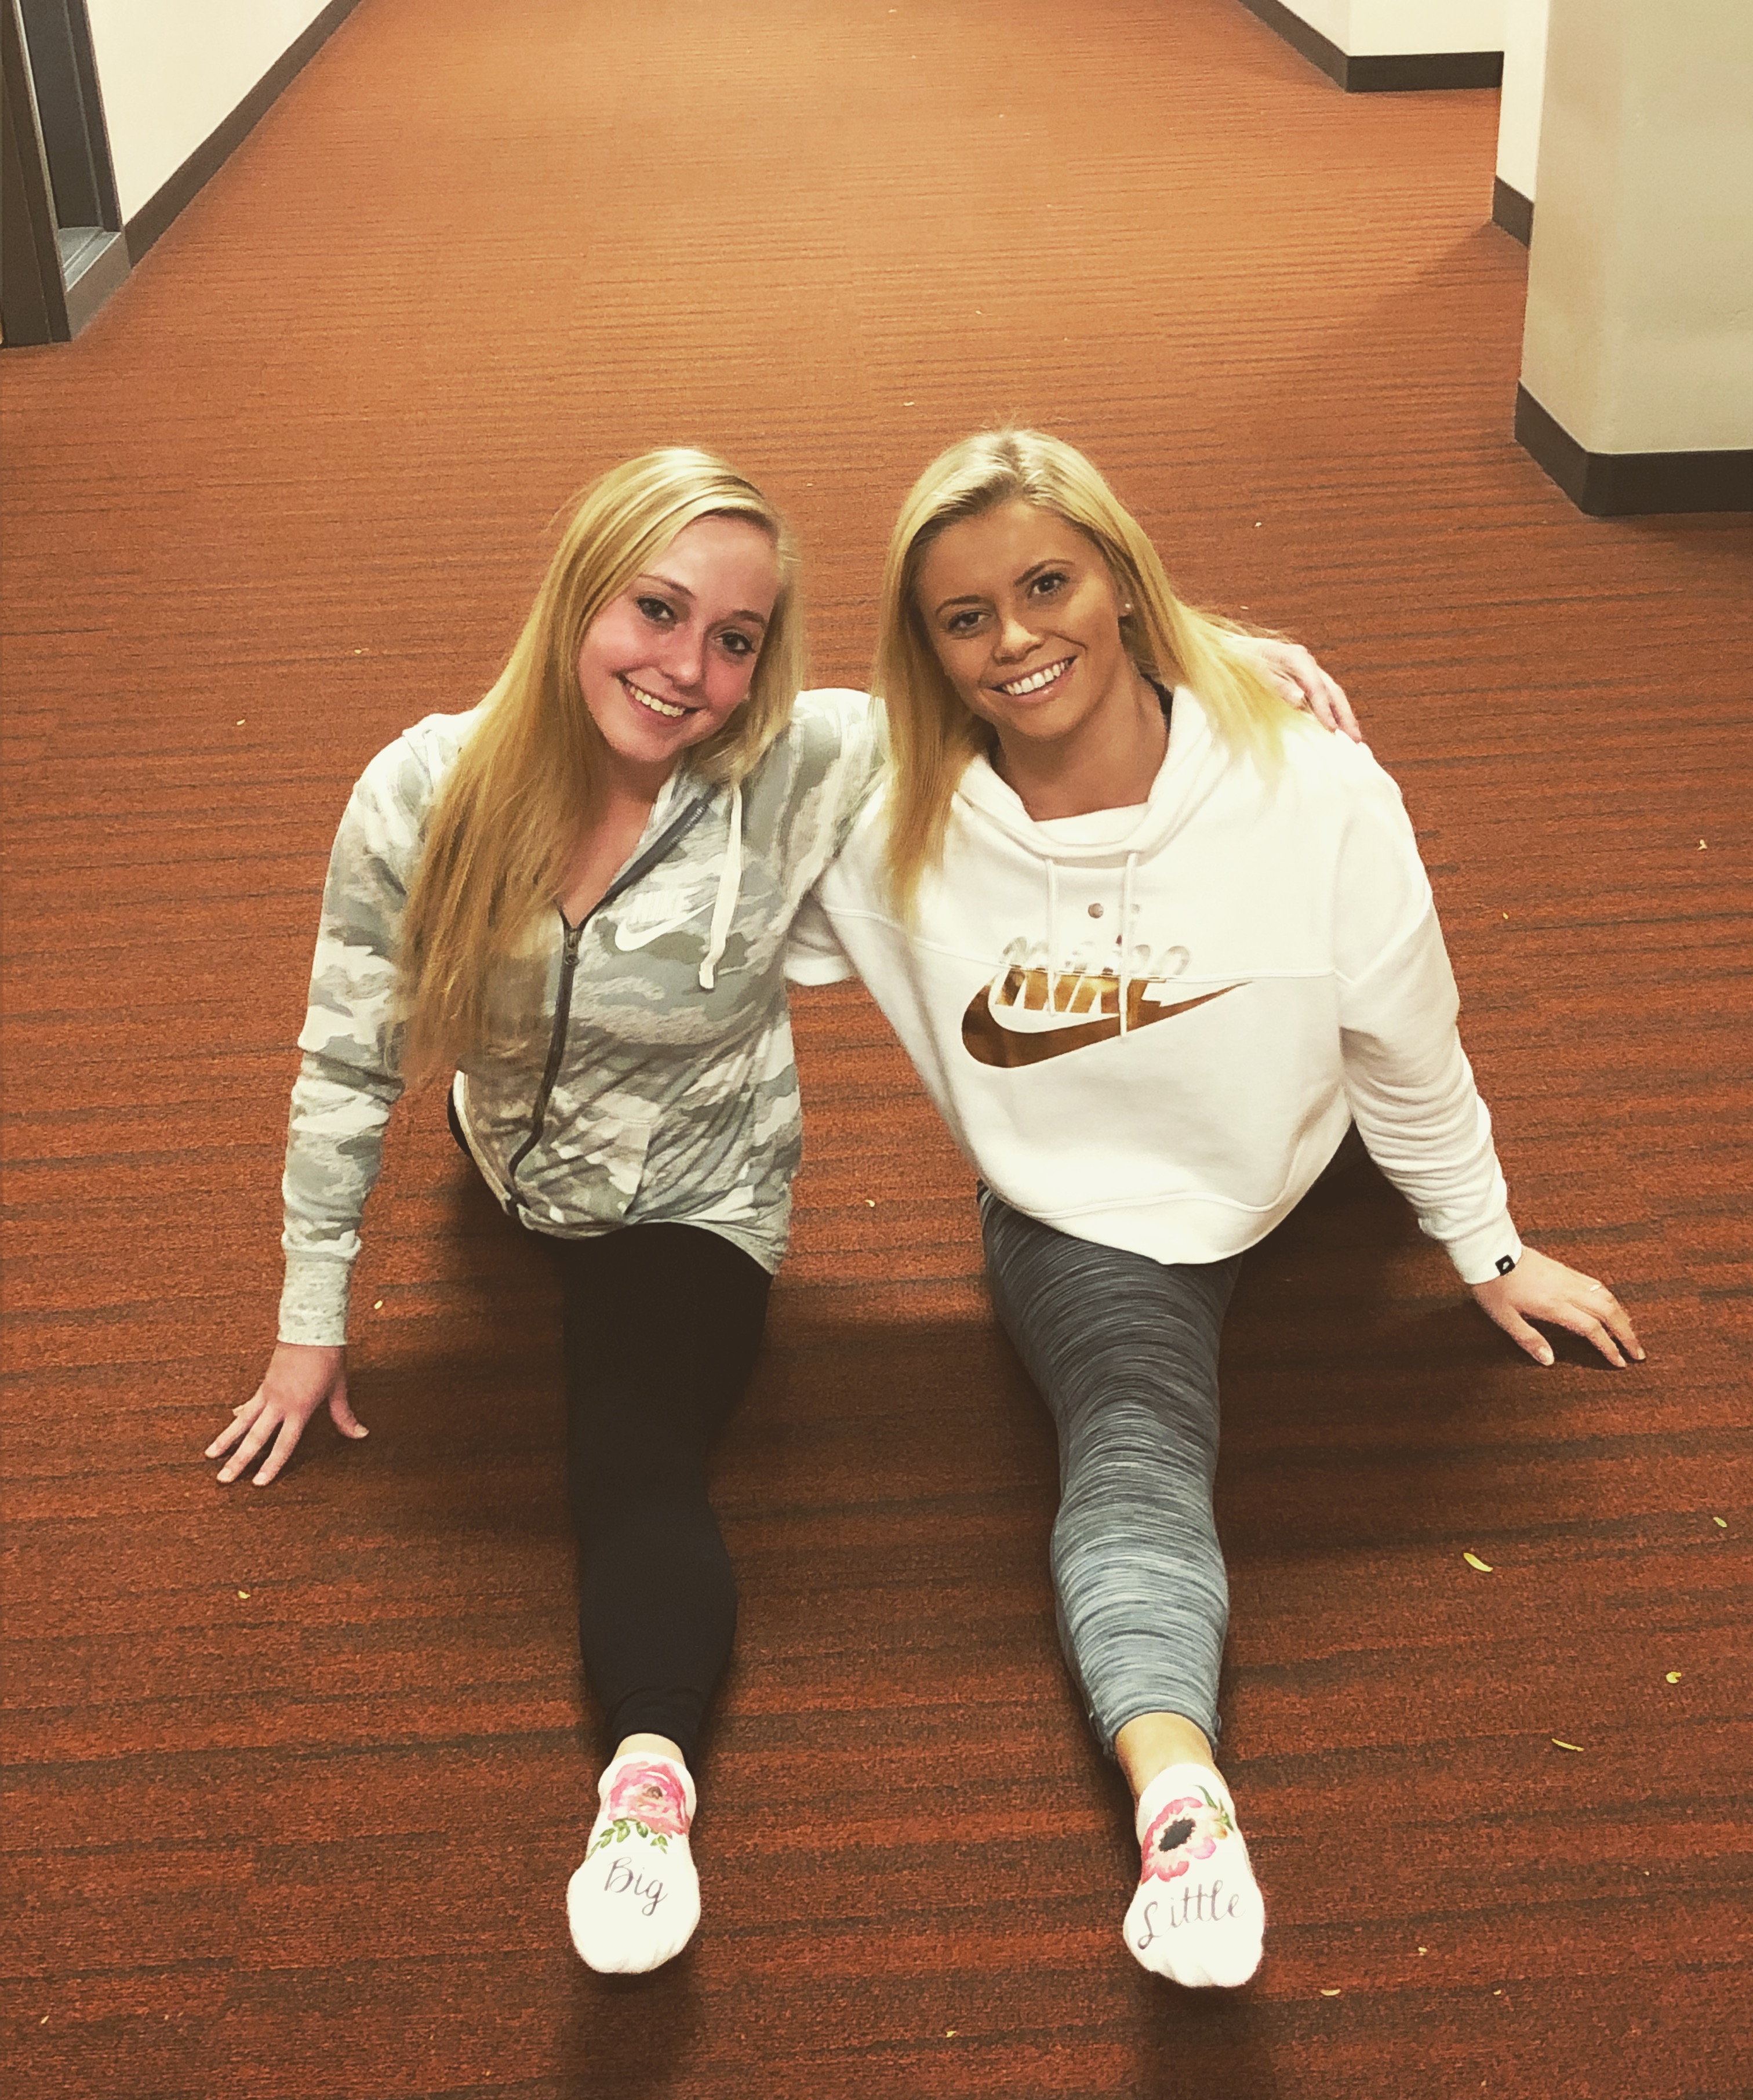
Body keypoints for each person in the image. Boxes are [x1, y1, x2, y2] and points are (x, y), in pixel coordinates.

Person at [205, 444, 1352, 1978]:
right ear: (577, 597)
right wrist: (311, 1323)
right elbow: (349, 1059)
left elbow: (1011, 677)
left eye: (736, 639)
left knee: (630, 1446)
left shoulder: (796, 766)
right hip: (506, 1156)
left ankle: (645, 1791)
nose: (689, 671)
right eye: (657, 611)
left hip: (696, 1191)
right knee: (575, 1367)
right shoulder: (420, 791)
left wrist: (1204, 662)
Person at [790, 428, 1643, 1992]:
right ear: (928, 649)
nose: (1014, 640)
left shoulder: (1312, 792)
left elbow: (1406, 1042)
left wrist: (1489, 1246)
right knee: (1135, 1452)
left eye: (1050, 586)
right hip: (1088, 1217)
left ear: (1121, 579)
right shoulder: (882, 808)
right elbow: (676, 749)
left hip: (1302, 1142)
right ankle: (1183, 1806)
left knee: (1369, 1108)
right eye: (965, 618)